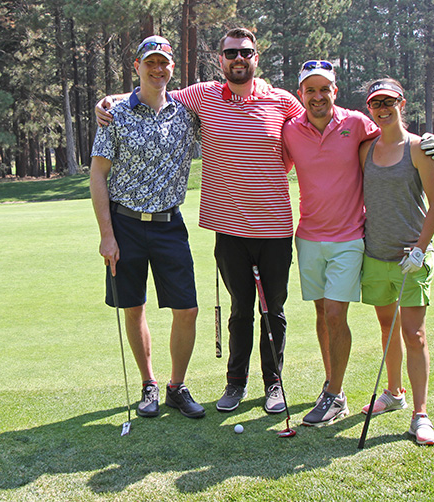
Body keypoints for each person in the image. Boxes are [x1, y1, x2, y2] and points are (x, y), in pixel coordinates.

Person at [96, 28, 304, 416]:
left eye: (245, 52)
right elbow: (152, 94)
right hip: (221, 227)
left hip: (270, 227)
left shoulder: (283, 101)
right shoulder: (201, 96)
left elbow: (319, 127)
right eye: (230, 53)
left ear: (256, 57)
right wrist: (109, 101)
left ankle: (267, 384)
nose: (238, 58)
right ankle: (221, 384)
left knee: (268, 309)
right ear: (220, 59)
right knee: (239, 308)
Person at [281, 62, 434, 427]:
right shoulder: (291, 130)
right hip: (308, 236)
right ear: (301, 93)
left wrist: (428, 140)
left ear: (335, 92)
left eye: (325, 89)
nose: (318, 96)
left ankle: (341, 395)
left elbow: (395, 134)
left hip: (351, 238)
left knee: (338, 315)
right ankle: (333, 387)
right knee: (324, 316)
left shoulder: (355, 124)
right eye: (310, 90)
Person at [89, 35, 205, 419]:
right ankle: (148, 385)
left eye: (164, 63)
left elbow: (229, 104)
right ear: (136, 66)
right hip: (124, 224)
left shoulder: (187, 112)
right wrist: (107, 235)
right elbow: (98, 175)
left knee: (187, 308)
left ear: (173, 67)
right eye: (149, 62)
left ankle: (177, 386)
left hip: (170, 224)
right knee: (133, 307)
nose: (158, 69)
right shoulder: (115, 113)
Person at [359, 78, 434, 445]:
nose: (382, 108)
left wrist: (421, 249)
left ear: (402, 103)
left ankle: (420, 415)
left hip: (411, 256)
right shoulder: (365, 149)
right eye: (376, 102)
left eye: (389, 101)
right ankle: (393, 393)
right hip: (375, 255)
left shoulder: (420, 148)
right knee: (387, 328)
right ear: (369, 108)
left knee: (414, 334)